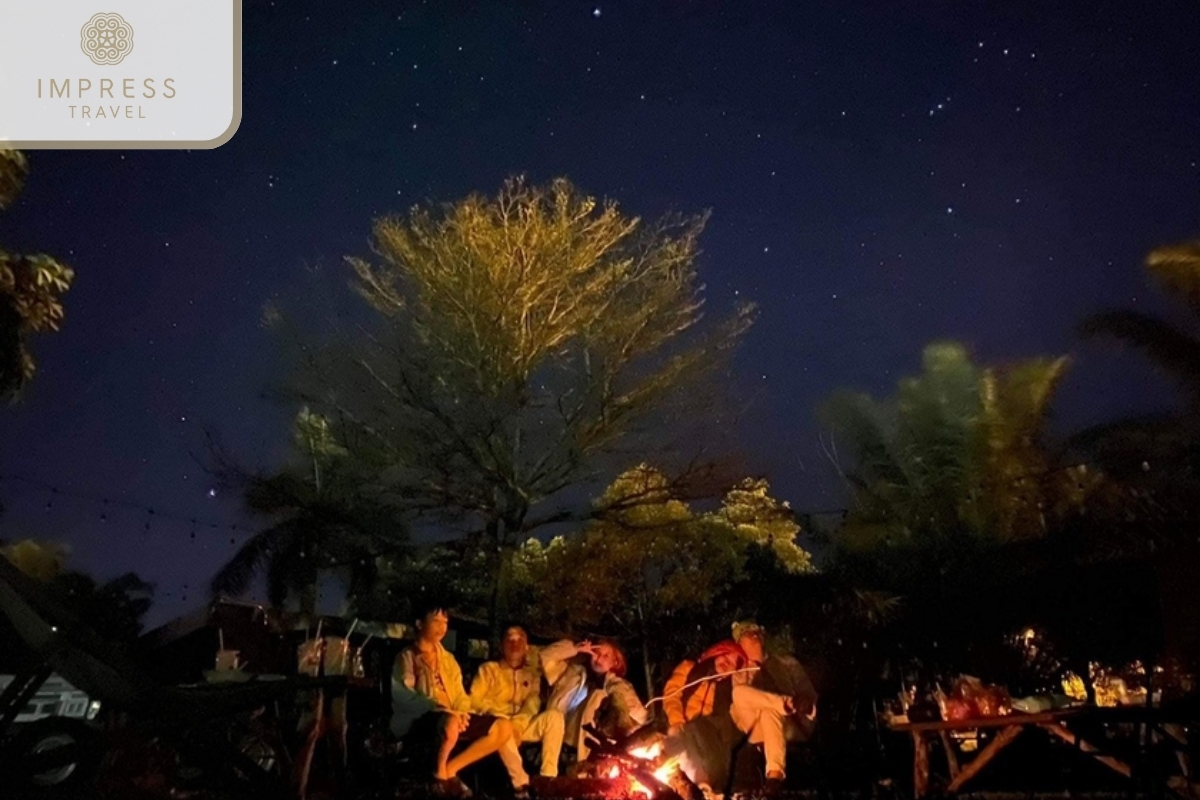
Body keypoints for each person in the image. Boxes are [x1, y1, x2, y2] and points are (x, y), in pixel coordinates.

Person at [390, 604, 515, 797]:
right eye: (436, 621)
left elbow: (459, 695)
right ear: (419, 624)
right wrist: (435, 706)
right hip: (423, 719)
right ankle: (439, 776)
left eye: (445, 622)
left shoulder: (448, 660)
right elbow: (404, 695)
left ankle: (450, 770)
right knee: (451, 722)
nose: (441, 627)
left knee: (503, 727)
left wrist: (463, 712)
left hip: (453, 716)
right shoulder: (407, 656)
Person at [470, 625, 565, 788]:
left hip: (521, 725)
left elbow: (532, 704)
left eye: (520, 639)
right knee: (503, 728)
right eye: (509, 640)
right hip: (494, 725)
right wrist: (500, 715)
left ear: (527, 645)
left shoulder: (532, 674)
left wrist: (518, 726)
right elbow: (474, 700)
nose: (515, 644)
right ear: (502, 645)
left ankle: (547, 779)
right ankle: (521, 785)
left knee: (555, 717)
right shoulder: (488, 670)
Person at [730, 621, 819, 788]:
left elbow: (808, 692)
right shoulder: (738, 671)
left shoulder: (787, 663)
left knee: (769, 712)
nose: (754, 635)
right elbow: (738, 705)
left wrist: (805, 704)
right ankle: (785, 703)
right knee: (739, 693)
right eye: (748, 633)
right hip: (755, 728)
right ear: (739, 643)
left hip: (791, 724)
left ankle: (774, 777)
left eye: (757, 631)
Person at [661, 640, 754, 794]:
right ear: (715, 654)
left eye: (731, 664)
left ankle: (711, 790)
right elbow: (671, 695)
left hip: (704, 737)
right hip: (679, 728)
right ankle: (708, 788)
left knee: (706, 732)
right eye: (724, 657)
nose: (726, 663)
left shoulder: (728, 691)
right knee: (688, 734)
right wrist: (677, 721)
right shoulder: (689, 668)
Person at [539, 637, 648, 761]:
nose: (599, 659)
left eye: (606, 656)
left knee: (601, 696)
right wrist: (575, 648)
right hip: (560, 727)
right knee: (598, 695)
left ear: (615, 662)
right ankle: (584, 762)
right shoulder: (571, 672)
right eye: (596, 653)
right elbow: (545, 656)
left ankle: (588, 761)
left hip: (595, 735)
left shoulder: (617, 685)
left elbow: (638, 714)